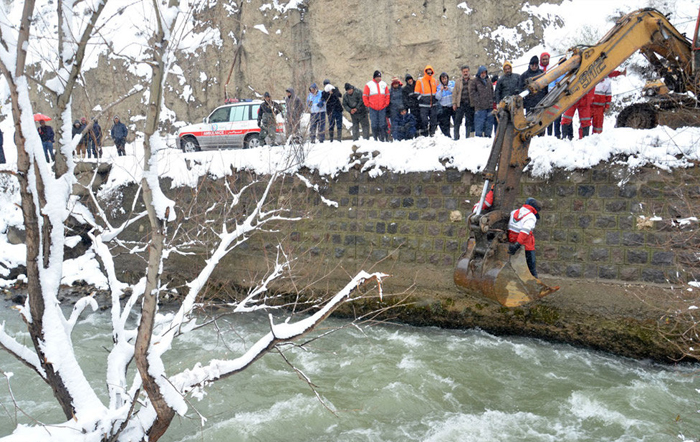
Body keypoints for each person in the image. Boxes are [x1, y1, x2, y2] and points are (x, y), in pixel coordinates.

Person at [507, 197, 542, 278]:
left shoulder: (514, 212)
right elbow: (524, 231)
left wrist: (514, 245)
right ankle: (534, 284)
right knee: (531, 268)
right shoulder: (531, 216)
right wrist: (517, 245)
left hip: (511, 242)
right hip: (526, 245)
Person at [591, 70, 626, 134]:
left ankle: (596, 138)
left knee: (598, 126)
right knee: (585, 123)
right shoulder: (592, 77)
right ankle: (583, 138)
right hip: (589, 105)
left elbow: (608, 95)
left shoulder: (607, 81)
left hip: (599, 107)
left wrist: (607, 106)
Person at [362, 70, 390, 142]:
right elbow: (365, 96)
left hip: (382, 108)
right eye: (377, 77)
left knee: (382, 124)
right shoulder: (369, 85)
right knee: (374, 124)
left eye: (380, 77)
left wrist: (386, 103)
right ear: (374, 77)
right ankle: (375, 138)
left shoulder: (384, 84)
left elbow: (387, 95)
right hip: (373, 108)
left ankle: (382, 138)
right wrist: (368, 105)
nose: (379, 78)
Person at [469, 66, 495, 137]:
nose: (483, 74)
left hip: (489, 107)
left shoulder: (488, 81)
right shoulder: (475, 81)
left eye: (484, 72)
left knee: (489, 125)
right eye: (482, 72)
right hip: (480, 108)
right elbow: (472, 93)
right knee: (479, 126)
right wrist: (478, 102)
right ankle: (479, 141)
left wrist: (493, 102)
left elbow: (492, 92)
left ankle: (488, 138)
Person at [415, 65, 438, 136]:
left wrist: (436, 100)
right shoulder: (420, 81)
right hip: (423, 105)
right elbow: (416, 93)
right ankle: (425, 133)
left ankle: (432, 133)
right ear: (425, 72)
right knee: (424, 120)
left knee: (433, 120)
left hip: (433, 104)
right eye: (428, 73)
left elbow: (437, 91)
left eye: (431, 73)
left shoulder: (435, 81)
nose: (429, 74)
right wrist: (422, 100)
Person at [452, 65, 474, 140]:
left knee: (469, 122)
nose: (465, 73)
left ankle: (468, 137)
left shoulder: (473, 80)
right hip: (460, 104)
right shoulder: (458, 81)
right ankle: (456, 137)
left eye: (466, 71)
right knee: (457, 121)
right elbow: (455, 93)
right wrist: (454, 103)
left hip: (470, 104)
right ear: (461, 72)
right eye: (464, 72)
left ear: (469, 71)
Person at [435, 72, 454, 138]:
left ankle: (457, 136)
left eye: (445, 78)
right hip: (444, 107)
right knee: (446, 123)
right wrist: (441, 90)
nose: (444, 80)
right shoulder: (438, 87)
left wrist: (449, 88)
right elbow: (437, 97)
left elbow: (456, 91)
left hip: (453, 106)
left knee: (456, 122)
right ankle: (448, 136)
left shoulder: (452, 83)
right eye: (442, 79)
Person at [388, 77, 405, 141]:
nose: (395, 85)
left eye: (396, 84)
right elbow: (388, 101)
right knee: (394, 124)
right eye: (394, 84)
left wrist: (404, 107)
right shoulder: (390, 91)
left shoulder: (402, 90)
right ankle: (395, 137)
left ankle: (402, 137)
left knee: (402, 123)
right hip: (393, 110)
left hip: (401, 109)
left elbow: (404, 99)